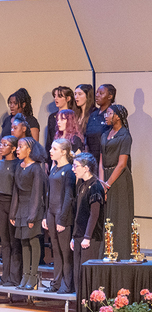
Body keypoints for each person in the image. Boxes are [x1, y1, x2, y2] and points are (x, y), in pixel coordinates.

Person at [10, 137, 48, 290]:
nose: (17, 149)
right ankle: (25, 275)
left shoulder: (36, 168)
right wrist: (13, 213)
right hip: (21, 209)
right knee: (24, 242)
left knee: (32, 241)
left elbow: (37, 193)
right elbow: (16, 192)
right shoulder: (20, 167)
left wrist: (32, 216)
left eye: (20, 147)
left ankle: (33, 276)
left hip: (33, 208)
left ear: (29, 150)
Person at [101, 102, 133, 259]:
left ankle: (120, 253)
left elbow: (122, 164)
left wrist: (107, 184)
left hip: (118, 180)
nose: (105, 116)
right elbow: (101, 160)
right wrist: (101, 183)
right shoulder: (104, 134)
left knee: (118, 216)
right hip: (105, 179)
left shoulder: (125, 136)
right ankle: (106, 251)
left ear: (118, 117)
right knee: (107, 215)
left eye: (109, 113)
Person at [44, 139, 76, 294]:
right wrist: (46, 216)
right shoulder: (54, 168)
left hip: (62, 216)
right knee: (55, 250)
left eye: (54, 148)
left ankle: (67, 284)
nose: (50, 150)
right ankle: (56, 282)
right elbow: (49, 194)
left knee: (65, 251)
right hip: (51, 213)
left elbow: (69, 197)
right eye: (51, 147)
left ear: (63, 151)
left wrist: (62, 219)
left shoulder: (69, 170)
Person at [0, 136, 20, 287]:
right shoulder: (0, 164)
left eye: (5, 145)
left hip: (13, 205)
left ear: (13, 148)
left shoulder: (18, 164)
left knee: (14, 242)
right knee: (5, 242)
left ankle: (14, 277)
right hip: (1, 205)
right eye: (0, 144)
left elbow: (18, 188)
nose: (1, 147)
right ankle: (5, 276)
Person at [71, 152, 105, 286]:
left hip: (89, 237)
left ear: (86, 168)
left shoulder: (95, 186)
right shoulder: (81, 185)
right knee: (78, 273)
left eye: (75, 166)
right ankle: (80, 304)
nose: (73, 169)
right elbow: (79, 213)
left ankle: (88, 305)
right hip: (80, 235)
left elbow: (94, 214)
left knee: (87, 275)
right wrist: (74, 236)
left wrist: (87, 237)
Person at [87, 83, 115, 164]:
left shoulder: (113, 114)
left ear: (110, 96)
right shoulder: (93, 114)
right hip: (92, 158)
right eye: (97, 93)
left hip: (106, 159)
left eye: (101, 93)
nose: (97, 95)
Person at [45, 86, 78, 153]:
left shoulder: (73, 116)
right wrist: (46, 160)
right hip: (53, 154)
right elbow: (49, 139)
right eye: (55, 96)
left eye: (59, 96)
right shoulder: (52, 117)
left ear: (68, 98)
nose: (56, 98)